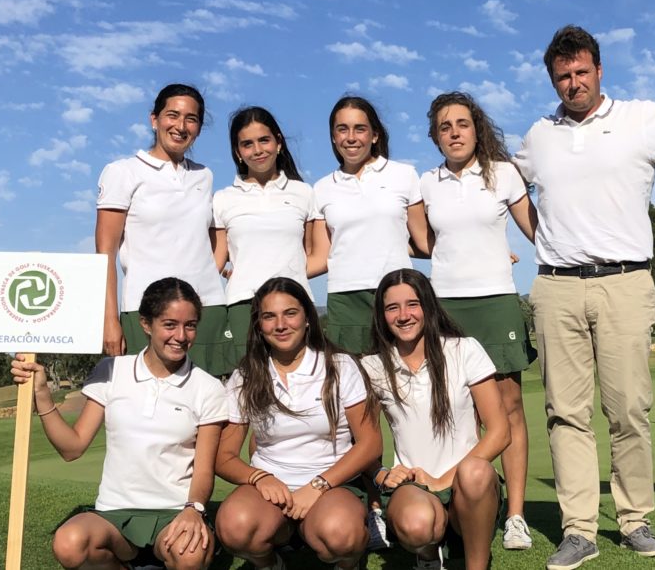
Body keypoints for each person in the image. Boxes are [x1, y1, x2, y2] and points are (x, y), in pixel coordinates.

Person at [513, 21, 655, 569]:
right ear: (553, 80)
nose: (573, 83)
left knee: (629, 409)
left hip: (625, 282)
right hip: (557, 286)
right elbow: (508, 185)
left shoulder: (639, 119)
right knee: (565, 414)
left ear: (599, 69)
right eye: (563, 76)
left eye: (581, 72)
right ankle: (580, 530)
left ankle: (634, 519)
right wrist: (538, 235)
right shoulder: (539, 135)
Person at [11, 277, 228, 570]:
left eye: (190, 325)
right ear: (146, 324)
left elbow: (203, 470)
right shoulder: (111, 370)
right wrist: (42, 395)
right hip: (114, 513)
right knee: (69, 543)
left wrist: (194, 509)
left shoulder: (208, 387)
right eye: (169, 324)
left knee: (189, 555)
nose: (181, 335)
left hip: (174, 512)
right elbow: (71, 448)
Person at [418, 91, 538, 551]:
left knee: (508, 409)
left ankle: (515, 516)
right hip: (445, 307)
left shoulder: (504, 174)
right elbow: (425, 243)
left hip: (497, 303)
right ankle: (457, 507)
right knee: (456, 410)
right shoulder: (426, 184)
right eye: (445, 126)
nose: (454, 133)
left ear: (477, 128)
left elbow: (538, 231)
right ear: (435, 135)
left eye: (462, 124)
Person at [311, 95, 429, 548]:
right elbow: (319, 256)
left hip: (397, 299)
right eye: (342, 129)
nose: (351, 137)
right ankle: (371, 504)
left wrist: (483, 249)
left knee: (400, 399)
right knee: (356, 409)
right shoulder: (322, 189)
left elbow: (421, 241)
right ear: (333, 137)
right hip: (345, 301)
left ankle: (414, 491)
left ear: (375, 132)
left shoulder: (403, 176)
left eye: (359, 128)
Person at [214, 277, 380, 570]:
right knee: (234, 527)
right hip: (270, 489)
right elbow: (224, 457)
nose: (280, 324)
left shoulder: (339, 366)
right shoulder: (245, 376)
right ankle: (270, 563)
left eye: (290, 313)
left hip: (332, 484)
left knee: (341, 535)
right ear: (258, 325)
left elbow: (370, 443)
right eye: (269, 316)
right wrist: (260, 478)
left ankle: (346, 563)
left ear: (307, 318)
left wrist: (318, 485)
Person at [362, 269, 511, 570]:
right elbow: (360, 440)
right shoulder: (372, 366)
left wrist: (444, 480)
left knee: (476, 472)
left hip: (467, 488)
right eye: (392, 307)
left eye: (412, 304)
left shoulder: (464, 349)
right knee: (417, 526)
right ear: (382, 315)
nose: (403, 315)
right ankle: (428, 556)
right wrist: (381, 474)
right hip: (413, 486)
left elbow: (500, 431)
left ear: (428, 306)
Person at [96, 84, 232, 375]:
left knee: (209, 408)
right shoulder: (123, 172)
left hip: (207, 308)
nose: (181, 126)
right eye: (173, 115)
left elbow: (209, 241)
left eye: (191, 119)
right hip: (145, 310)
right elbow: (104, 251)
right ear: (154, 119)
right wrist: (110, 318)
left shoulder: (204, 175)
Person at [213, 106, 316, 366]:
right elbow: (216, 260)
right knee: (250, 389)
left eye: (264, 140)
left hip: (295, 302)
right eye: (247, 144)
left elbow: (315, 255)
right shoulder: (222, 199)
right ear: (237, 152)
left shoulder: (304, 193)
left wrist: (281, 273)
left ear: (278, 142)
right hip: (242, 307)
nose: (257, 150)